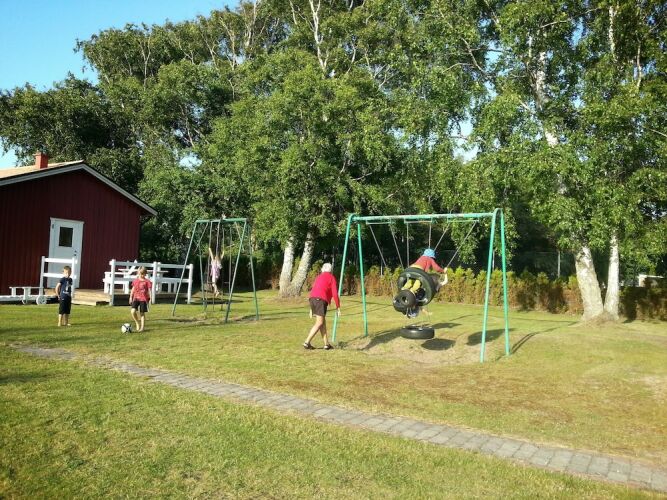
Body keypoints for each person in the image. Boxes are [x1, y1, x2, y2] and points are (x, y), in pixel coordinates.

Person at [303, 263, 340, 350]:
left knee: (322, 322)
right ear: (331, 270)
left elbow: (314, 290)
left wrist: (311, 308)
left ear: (322, 269)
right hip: (320, 300)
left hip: (313, 299)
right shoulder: (331, 277)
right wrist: (338, 307)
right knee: (319, 322)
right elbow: (335, 293)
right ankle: (307, 342)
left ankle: (326, 344)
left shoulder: (319, 277)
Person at [129, 267, 153, 332]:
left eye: (143, 274)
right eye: (140, 274)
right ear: (138, 273)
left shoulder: (147, 281)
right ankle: (137, 323)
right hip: (136, 298)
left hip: (144, 299)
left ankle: (142, 328)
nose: (141, 275)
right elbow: (133, 289)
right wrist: (130, 297)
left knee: (142, 313)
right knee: (133, 311)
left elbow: (150, 290)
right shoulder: (135, 281)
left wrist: (151, 298)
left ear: (145, 274)